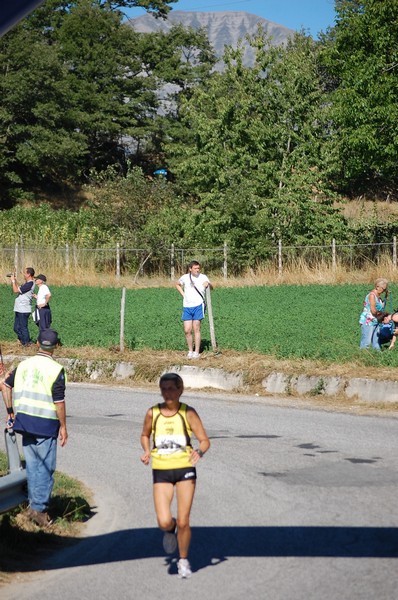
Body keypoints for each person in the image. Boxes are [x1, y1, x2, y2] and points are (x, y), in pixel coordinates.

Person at [140, 372, 210, 579]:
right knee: (164, 521)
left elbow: (205, 440)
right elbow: (145, 435)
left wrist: (199, 451)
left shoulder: (188, 413)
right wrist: (146, 451)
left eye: (172, 388)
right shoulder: (153, 413)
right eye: (164, 389)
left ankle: (183, 560)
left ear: (180, 390)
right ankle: (169, 532)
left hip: (185, 469)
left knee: (183, 521)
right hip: (161, 469)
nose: (167, 393)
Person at [1, 329, 67, 527]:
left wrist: (11, 411)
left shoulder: (23, 365)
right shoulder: (56, 370)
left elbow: (6, 385)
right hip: (46, 425)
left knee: (32, 465)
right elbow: (60, 403)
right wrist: (63, 426)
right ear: (55, 347)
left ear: (37, 343)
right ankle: (39, 509)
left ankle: (32, 505)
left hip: (25, 424)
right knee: (45, 468)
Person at [175, 261, 213, 359]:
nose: (197, 270)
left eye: (198, 268)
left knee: (196, 328)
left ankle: (196, 352)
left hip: (198, 305)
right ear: (190, 269)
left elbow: (211, 287)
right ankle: (190, 351)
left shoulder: (203, 277)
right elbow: (177, 284)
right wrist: (183, 295)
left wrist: (208, 284)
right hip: (187, 306)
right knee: (187, 330)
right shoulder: (185, 277)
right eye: (195, 268)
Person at [359, 278, 389, 350]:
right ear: (377, 286)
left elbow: (381, 307)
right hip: (369, 321)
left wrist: (386, 296)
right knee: (367, 341)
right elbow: (373, 311)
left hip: (377, 320)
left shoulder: (378, 296)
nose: (384, 290)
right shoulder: (372, 296)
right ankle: (362, 357)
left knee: (376, 341)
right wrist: (384, 315)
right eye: (383, 289)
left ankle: (377, 357)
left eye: (385, 289)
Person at [10, 267, 35, 346]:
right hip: (19, 308)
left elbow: (15, 290)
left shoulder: (30, 284)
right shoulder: (26, 284)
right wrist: (15, 280)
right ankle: (25, 341)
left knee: (23, 328)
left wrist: (13, 281)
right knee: (16, 328)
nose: (23, 274)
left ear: (29, 274)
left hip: (24, 309)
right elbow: (18, 288)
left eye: (25, 273)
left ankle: (27, 343)